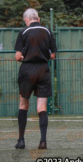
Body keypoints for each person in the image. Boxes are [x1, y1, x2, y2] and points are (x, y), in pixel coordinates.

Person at [14, 8, 57, 149]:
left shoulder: (23, 32)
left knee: (23, 104)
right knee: (42, 107)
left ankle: (21, 140)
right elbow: (52, 56)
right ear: (38, 19)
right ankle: (43, 141)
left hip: (27, 70)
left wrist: (23, 57)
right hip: (43, 70)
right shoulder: (47, 31)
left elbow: (17, 56)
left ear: (26, 20)